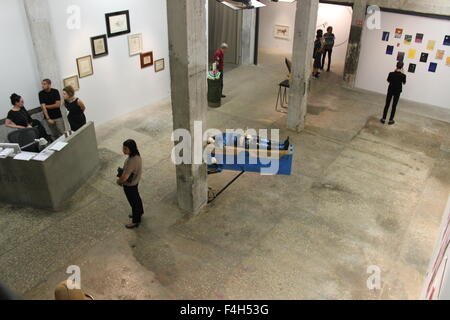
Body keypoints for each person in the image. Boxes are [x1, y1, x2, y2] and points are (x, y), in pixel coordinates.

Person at [117, 139, 144, 229]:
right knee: (136, 198)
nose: (123, 150)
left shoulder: (132, 161)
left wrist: (119, 181)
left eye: (125, 149)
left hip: (130, 185)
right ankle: (140, 212)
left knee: (133, 202)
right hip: (135, 182)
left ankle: (136, 221)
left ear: (131, 149)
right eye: (123, 148)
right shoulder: (136, 156)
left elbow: (125, 177)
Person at [381, 61, 406, 125]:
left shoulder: (391, 73)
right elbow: (404, 83)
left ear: (396, 66)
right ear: (402, 67)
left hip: (390, 90)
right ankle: (390, 120)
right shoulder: (403, 75)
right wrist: (402, 73)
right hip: (397, 91)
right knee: (394, 106)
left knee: (387, 104)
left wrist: (394, 72)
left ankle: (383, 119)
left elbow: (388, 80)